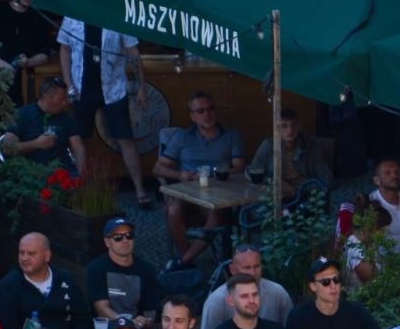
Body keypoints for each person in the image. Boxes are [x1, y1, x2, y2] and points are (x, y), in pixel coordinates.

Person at [57, 17, 150, 209]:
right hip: (82, 88)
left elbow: (133, 51)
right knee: (79, 139)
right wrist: (69, 84)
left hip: (113, 88)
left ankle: (140, 190)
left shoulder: (114, 13)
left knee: (126, 139)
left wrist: (142, 86)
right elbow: (64, 48)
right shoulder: (72, 16)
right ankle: (80, 188)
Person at [155, 91, 245, 263]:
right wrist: (180, 174)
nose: (207, 114)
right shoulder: (182, 137)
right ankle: (188, 259)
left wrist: (214, 174)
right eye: (200, 111)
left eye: (210, 109)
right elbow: (158, 168)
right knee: (172, 210)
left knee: (216, 215)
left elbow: (240, 168)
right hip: (189, 191)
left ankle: (184, 261)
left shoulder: (231, 136)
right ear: (192, 116)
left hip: (219, 192)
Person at [0, 232, 88, 329]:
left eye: (31, 253)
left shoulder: (65, 279)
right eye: (21, 253)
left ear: (47, 256)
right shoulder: (8, 286)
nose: (24, 258)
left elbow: (82, 320)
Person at [200, 244, 294, 329]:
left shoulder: (278, 293)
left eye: (256, 266)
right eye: (246, 268)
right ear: (232, 269)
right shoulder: (216, 301)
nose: (252, 273)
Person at [87, 216, 159, 329]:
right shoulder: (96, 268)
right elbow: (101, 309)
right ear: (107, 242)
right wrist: (126, 323)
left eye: (129, 235)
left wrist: (146, 322)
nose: (125, 240)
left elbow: (150, 310)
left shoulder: (146, 269)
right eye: (117, 237)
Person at [0, 75, 84, 168]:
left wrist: (80, 176)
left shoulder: (66, 118)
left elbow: (78, 148)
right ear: (47, 96)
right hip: (30, 173)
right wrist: (36, 144)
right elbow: (7, 149)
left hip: (61, 173)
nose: (65, 103)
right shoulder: (22, 114)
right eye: (62, 99)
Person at [248, 107, 331, 200]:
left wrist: (299, 190)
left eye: (294, 125)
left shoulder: (310, 146)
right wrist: (276, 182)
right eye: (284, 126)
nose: (290, 130)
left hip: (305, 194)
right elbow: (252, 171)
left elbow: (327, 179)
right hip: (276, 194)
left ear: (299, 126)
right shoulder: (269, 145)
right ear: (277, 128)